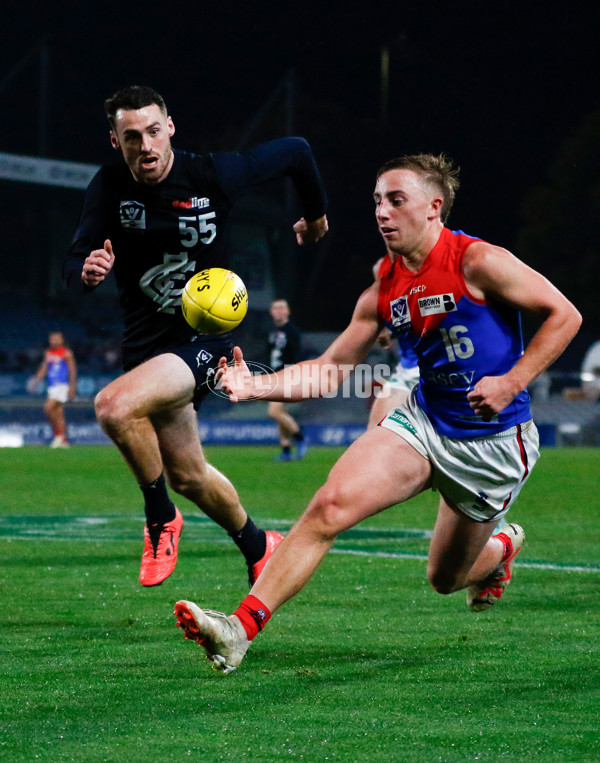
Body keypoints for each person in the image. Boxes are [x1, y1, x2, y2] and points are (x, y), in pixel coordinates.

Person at [172, 153, 581, 673]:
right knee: (329, 505)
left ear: (434, 208)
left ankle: (499, 549)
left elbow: (565, 315)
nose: (382, 213)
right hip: (426, 422)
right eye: (376, 202)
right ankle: (237, 630)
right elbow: (329, 368)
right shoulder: (383, 289)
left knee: (445, 579)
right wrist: (255, 386)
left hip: (493, 444)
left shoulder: (478, 261)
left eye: (396, 200)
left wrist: (514, 380)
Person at [63, 85, 328, 588]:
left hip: (205, 339)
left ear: (171, 128)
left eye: (153, 131)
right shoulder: (108, 185)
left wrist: (315, 216)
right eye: (131, 136)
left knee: (113, 407)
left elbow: (297, 152)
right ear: (115, 141)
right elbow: (72, 262)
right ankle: (259, 545)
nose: (146, 145)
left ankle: (160, 518)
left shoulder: (212, 174)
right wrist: (87, 270)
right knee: (188, 474)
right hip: (145, 348)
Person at [368, 257, 420, 429]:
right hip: (409, 368)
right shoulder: (381, 268)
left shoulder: (444, 264)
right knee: (374, 436)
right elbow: (401, 316)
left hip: (448, 370)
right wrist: (387, 329)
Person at [266, 298, 307, 461]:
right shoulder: (273, 332)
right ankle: (286, 450)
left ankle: (300, 437)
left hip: (287, 375)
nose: (279, 311)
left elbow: (297, 355)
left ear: (288, 311)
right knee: (279, 414)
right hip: (274, 375)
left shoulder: (292, 331)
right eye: (275, 308)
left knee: (274, 411)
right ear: (271, 312)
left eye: (282, 308)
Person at [27, 331, 77, 448]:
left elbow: (72, 370)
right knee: (58, 413)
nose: (54, 341)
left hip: (62, 385)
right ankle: (63, 440)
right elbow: (44, 368)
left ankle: (58, 435)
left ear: (62, 340)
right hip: (52, 386)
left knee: (48, 407)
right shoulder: (48, 353)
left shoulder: (66, 353)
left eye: (57, 339)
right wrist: (35, 381)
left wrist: (72, 387)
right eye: (52, 339)